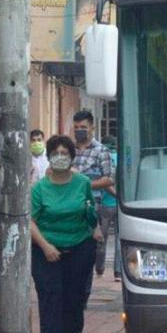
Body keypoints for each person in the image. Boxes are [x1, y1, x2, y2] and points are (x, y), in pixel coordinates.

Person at [31, 135, 99, 333]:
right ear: (49, 157)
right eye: (56, 153)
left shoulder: (83, 183)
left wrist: (95, 228)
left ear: (72, 157)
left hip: (79, 247)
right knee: (50, 297)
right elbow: (30, 220)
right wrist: (45, 246)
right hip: (46, 250)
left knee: (74, 297)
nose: (60, 158)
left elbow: (90, 211)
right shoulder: (40, 188)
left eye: (65, 154)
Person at [71, 111, 114, 278]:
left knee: (89, 246)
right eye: (76, 127)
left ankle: (87, 281)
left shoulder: (101, 151)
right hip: (69, 203)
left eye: (83, 127)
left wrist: (84, 182)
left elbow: (108, 179)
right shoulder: (69, 149)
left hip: (92, 205)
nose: (79, 130)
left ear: (92, 128)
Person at [100, 136, 121, 281]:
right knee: (119, 238)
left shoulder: (102, 159)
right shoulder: (121, 158)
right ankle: (118, 272)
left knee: (102, 237)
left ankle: (99, 267)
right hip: (120, 204)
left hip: (104, 204)